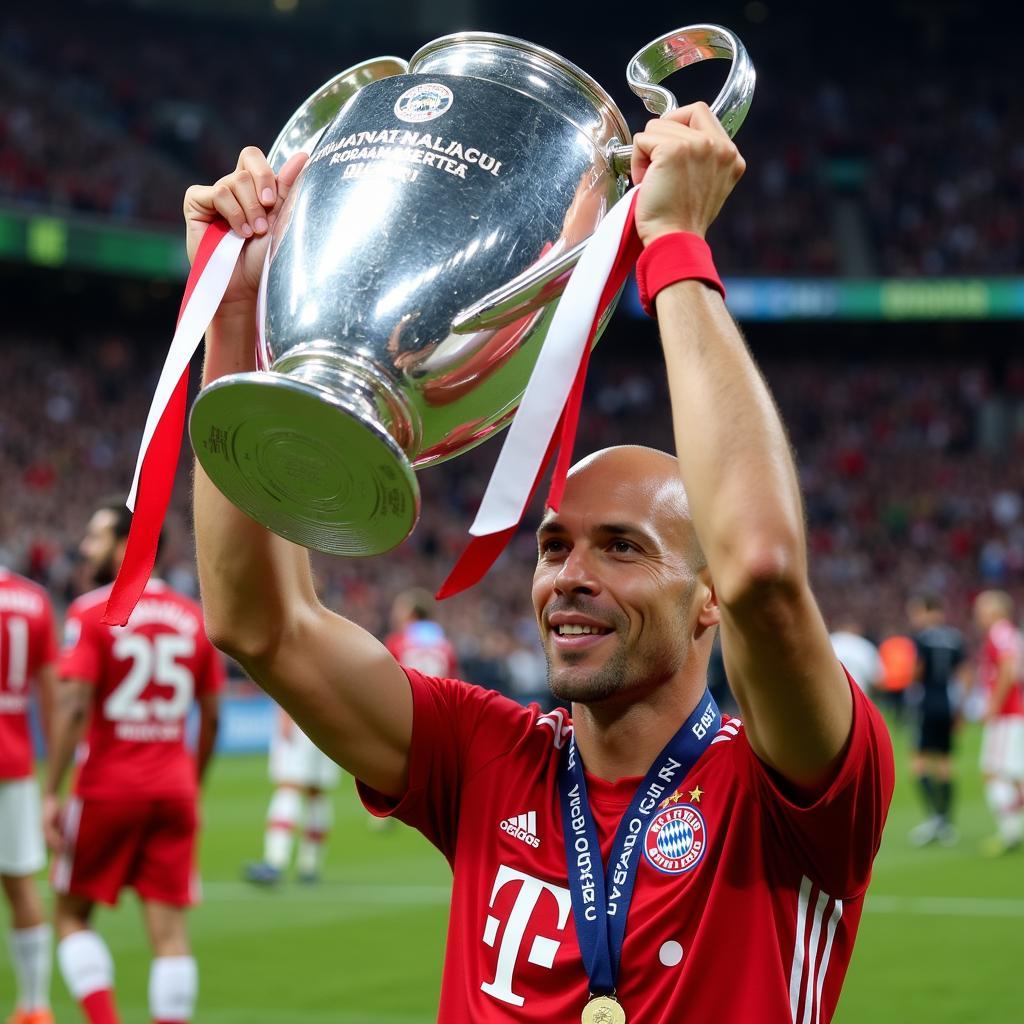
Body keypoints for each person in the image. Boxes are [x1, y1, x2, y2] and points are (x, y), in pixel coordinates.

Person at [189, 108, 894, 1022]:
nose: (570, 575)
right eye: (554, 545)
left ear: (707, 597)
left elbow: (763, 569)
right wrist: (241, 316)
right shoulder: (486, 756)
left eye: (623, 547)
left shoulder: (792, 791)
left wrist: (673, 245)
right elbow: (261, 624)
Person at [42, 500, 224, 1024]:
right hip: (174, 788)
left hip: (107, 787)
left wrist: (51, 791)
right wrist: (193, 782)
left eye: (95, 537)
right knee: (170, 935)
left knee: (72, 917)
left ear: (127, 543)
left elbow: (74, 706)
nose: (85, 548)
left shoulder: (91, 610)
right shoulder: (195, 618)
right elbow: (211, 718)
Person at [0, 566, 58, 1024]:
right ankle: (36, 1004)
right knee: (20, 882)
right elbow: (50, 695)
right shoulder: (34, 599)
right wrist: (54, 776)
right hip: (14, 760)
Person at [243, 707, 340, 885]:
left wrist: (287, 712)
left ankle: (274, 863)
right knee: (316, 792)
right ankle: (310, 866)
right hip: (330, 720)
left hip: (302, 716)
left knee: (288, 787)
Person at [905, 593, 966, 847]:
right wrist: (960, 706)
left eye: (916, 612)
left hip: (926, 703)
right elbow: (965, 673)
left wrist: (909, 684)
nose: (914, 618)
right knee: (944, 763)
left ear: (927, 611)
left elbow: (917, 671)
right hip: (948, 703)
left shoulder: (922, 639)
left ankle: (935, 819)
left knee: (918, 762)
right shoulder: (955, 638)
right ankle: (947, 823)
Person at [972, 590, 1024, 855]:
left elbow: (1008, 667)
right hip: (1012, 714)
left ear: (994, 610)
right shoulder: (1008, 632)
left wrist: (993, 704)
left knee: (994, 772)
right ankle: (1012, 829)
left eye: (981, 608)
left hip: (1006, 715)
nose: (976, 614)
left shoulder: (1000, 632)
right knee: (1013, 775)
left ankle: (1009, 833)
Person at [384, 588, 459, 679]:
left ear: (413, 614)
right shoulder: (446, 645)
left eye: (400, 609)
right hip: (438, 692)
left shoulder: (396, 643)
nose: (394, 615)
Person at [828, 620, 882, 693]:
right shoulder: (864, 646)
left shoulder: (830, 641)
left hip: (828, 692)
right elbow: (877, 677)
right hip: (857, 693)